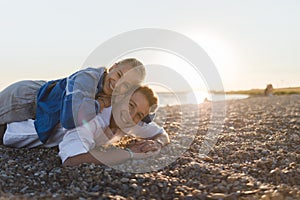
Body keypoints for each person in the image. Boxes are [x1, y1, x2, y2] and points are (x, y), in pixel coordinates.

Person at [2, 86, 170, 166]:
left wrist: (157, 143)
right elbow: (72, 159)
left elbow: (161, 133)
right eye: (130, 105)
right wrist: (129, 154)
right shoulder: (90, 118)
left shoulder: (130, 121)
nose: (131, 116)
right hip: (9, 127)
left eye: (139, 114)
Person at [0, 58, 145, 144]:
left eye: (125, 84)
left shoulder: (118, 94)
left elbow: (144, 109)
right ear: (113, 67)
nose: (117, 84)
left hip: (42, 103)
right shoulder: (88, 77)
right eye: (119, 74)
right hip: (24, 99)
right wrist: (100, 104)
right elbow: (70, 119)